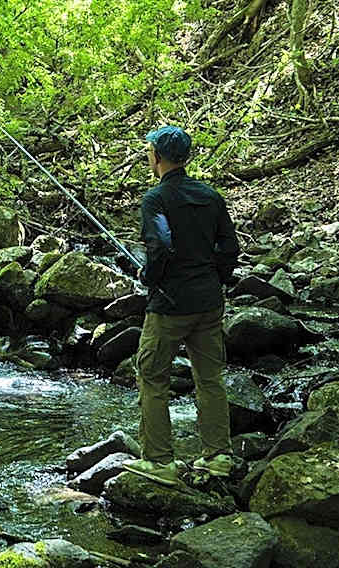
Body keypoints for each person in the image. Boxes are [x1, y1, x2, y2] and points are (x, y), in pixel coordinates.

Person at [121, 126, 240, 487]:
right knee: (210, 378)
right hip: (208, 303)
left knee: (153, 376)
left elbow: (160, 246)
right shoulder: (211, 196)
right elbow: (230, 249)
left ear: (156, 156)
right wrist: (215, 279)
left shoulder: (155, 200)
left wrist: (149, 278)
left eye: (149, 151)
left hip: (169, 307)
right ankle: (218, 456)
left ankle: (159, 462)